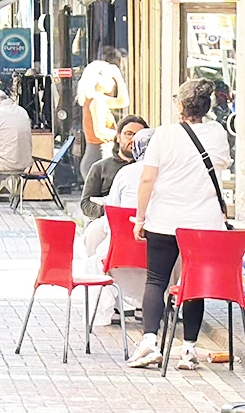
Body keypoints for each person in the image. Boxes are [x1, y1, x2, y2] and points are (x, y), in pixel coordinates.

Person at [129, 79, 231, 370]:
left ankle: (150, 342)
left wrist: (140, 217)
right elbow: (222, 164)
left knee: (156, 280)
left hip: (165, 220)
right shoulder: (217, 133)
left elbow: (147, 178)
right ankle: (188, 350)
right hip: (203, 224)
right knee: (194, 282)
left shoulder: (164, 134)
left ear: (181, 105)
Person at [86, 128, 155, 326]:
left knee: (95, 242)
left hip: (121, 257)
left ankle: (113, 308)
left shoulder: (125, 173)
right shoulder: (172, 174)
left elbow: (112, 215)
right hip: (159, 259)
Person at [80, 115, 148, 220]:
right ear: (118, 137)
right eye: (129, 134)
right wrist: (108, 210)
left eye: (139, 135)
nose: (134, 139)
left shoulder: (150, 169)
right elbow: (86, 204)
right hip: (106, 221)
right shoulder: (100, 167)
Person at [78, 60, 130, 179]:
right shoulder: (97, 101)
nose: (113, 82)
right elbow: (100, 132)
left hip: (96, 155)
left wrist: (119, 78)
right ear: (99, 79)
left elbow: (123, 102)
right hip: (100, 155)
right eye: (110, 78)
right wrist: (124, 135)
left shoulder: (95, 99)